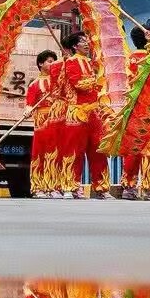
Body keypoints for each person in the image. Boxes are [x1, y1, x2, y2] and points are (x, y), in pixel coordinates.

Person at [56, 29, 109, 199]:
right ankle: (69, 186)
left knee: (98, 149)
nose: (86, 43)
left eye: (87, 40)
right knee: (74, 150)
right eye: (82, 41)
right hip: (77, 111)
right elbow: (79, 84)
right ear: (74, 46)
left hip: (94, 112)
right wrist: (98, 79)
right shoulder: (71, 62)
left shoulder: (92, 63)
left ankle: (102, 187)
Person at [120, 26, 150, 199]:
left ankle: (129, 185)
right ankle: (148, 187)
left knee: (136, 147)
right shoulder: (146, 57)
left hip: (137, 107)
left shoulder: (129, 58)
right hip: (147, 106)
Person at [26, 50, 60, 197]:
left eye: (54, 61)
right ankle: (38, 187)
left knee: (56, 153)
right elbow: (29, 103)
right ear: (40, 64)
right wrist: (28, 110)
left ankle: (54, 186)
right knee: (40, 153)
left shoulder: (58, 82)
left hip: (57, 119)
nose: (52, 64)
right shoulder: (34, 84)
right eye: (49, 61)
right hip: (42, 120)